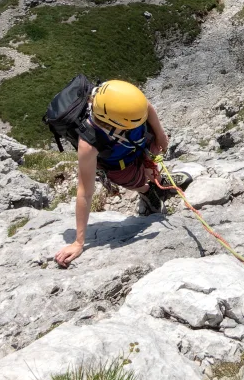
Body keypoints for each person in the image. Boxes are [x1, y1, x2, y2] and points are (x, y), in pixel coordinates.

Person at [54, 79, 179, 268]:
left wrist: (160, 134)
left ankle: (159, 182)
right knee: (136, 181)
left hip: (135, 143)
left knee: (149, 166)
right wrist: (79, 242)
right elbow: (84, 193)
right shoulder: (89, 144)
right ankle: (147, 192)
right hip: (118, 165)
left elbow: (146, 106)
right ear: (114, 124)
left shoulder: (122, 106)